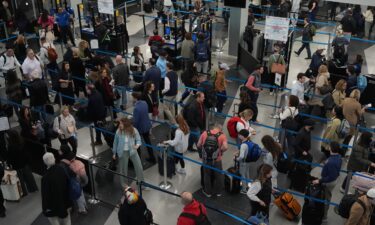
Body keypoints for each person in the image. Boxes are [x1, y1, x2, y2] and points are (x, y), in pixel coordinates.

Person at [312, 141, 342, 223]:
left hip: (328, 182)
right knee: (326, 198)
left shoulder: (332, 161)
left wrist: (319, 180)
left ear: (331, 148)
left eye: (330, 146)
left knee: (325, 200)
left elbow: (330, 177)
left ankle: (324, 217)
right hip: (332, 180)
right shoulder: (338, 157)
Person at [197, 123, 228, 197]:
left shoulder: (205, 133)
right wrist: (221, 151)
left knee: (206, 175)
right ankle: (218, 192)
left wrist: (202, 154)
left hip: (206, 159)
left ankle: (208, 192)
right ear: (220, 129)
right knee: (219, 175)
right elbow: (226, 147)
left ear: (213, 128)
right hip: (217, 159)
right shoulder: (222, 135)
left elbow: (198, 144)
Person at [41, 152, 72, 225]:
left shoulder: (45, 178)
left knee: (55, 222)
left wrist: (45, 207)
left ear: (45, 162)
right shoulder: (61, 169)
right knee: (67, 220)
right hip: (65, 202)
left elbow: (45, 194)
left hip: (53, 206)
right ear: (54, 159)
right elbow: (68, 185)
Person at [112, 118, 144, 187]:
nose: (119, 125)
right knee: (123, 170)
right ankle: (124, 185)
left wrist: (137, 145)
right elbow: (115, 143)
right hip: (122, 152)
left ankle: (141, 183)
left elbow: (138, 139)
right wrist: (114, 153)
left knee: (139, 167)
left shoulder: (133, 130)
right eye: (119, 123)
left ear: (125, 124)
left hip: (133, 151)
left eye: (121, 123)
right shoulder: (118, 132)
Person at [5, 129, 38, 194]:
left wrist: (8, 164)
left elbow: (9, 158)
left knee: (21, 180)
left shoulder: (10, 147)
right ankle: (33, 188)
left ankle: (24, 192)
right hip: (25, 163)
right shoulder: (22, 141)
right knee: (29, 177)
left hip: (17, 166)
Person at [60, 146, 88, 214]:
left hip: (73, 182)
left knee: (78, 196)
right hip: (78, 181)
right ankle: (84, 206)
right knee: (80, 194)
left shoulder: (64, 163)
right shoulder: (78, 163)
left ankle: (82, 209)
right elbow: (84, 178)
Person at [132, 92, 156, 163]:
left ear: (135, 98)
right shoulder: (144, 103)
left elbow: (136, 121)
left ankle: (138, 160)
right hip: (147, 125)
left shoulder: (136, 108)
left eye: (132, 97)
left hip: (140, 128)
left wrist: (133, 130)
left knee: (137, 143)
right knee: (148, 142)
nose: (132, 99)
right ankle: (152, 157)